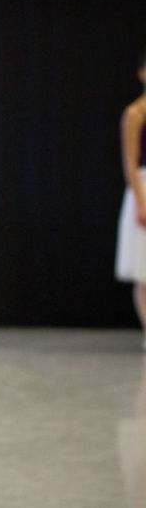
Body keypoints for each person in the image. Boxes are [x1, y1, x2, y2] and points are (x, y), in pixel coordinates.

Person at [115, 48, 146, 351]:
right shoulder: (135, 114)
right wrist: (140, 201)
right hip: (144, 185)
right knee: (144, 269)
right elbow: (130, 162)